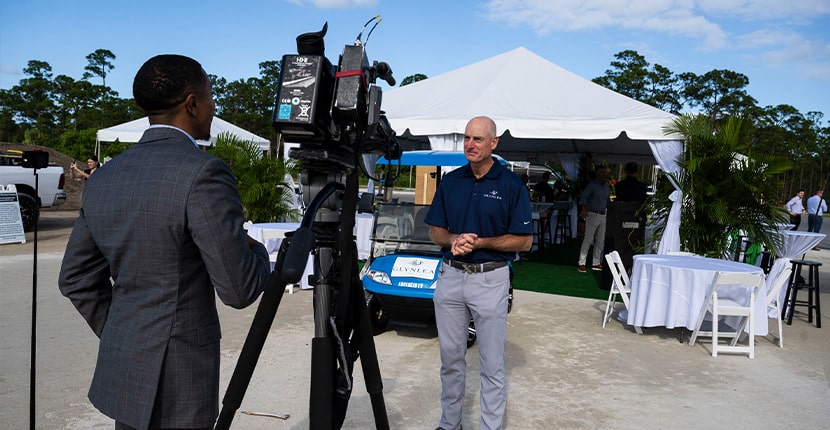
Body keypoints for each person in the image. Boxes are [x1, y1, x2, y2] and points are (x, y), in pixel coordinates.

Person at [58, 54, 271, 430]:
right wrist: (260, 253)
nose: (213, 107)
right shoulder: (204, 172)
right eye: (210, 97)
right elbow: (239, 290)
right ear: (192, 103)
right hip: (180, 380)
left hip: (127, 367)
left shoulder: (106, 177)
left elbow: (75, 278)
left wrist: (123, 332)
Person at [425, 116, 532, 430]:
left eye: (478, 139)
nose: (470, 145)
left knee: (492, 365)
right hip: (451, 276)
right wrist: (453, 240)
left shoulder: (511, 185)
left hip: (490, 278)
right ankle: (449, 424)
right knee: (450, 360)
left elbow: (524, 241)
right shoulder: (451, 181)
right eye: (467, 139)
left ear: (493, 143)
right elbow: (435, 231)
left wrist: (480, 242)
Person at [577, 165, 611, 272]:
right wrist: (584, 209)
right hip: (592, 214)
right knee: (588, 238)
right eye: (601, 172)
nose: (603, 174)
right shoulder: (592, 185)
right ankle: (582, 262)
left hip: (603, 214)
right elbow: (583, 198)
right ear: (597, 173)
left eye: (605, 172)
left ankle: (596, 262)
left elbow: (608, 201)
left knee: (600, 240)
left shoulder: (607, 186)